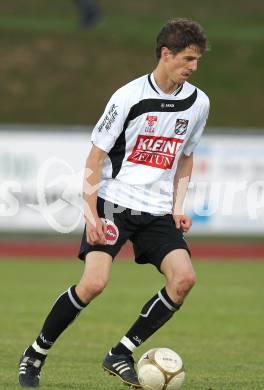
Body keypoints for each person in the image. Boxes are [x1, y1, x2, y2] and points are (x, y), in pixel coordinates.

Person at [19, 18, 210, 388]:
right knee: (93, 283)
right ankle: (35, 354)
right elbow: (94, 160)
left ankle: (121, 352)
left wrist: (177, 206)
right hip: (113, 202)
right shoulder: (128, 97)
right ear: (165, 54)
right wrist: (90, 213)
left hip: (156, 210)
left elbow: (186, 156)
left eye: (198, 60)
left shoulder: (198, 102)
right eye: (188, 58)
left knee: (184, 278)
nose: (194, 67)